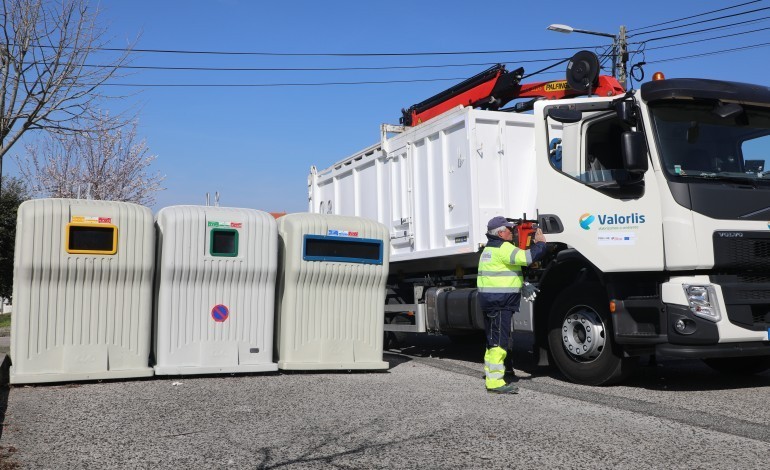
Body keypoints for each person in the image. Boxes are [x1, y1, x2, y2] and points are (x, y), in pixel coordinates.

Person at [477, 215, 547, 394]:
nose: (512, 231)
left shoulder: (489, 250)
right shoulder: (504, 248)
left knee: (492, 341)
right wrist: (540, 243)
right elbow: (527, 257)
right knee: (499, 343)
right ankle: (494, 382)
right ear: (500, 233)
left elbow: (502, 271)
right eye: (508, 229)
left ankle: (492, 374)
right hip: (500, 303)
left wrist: (521, 283)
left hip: (491, 302)